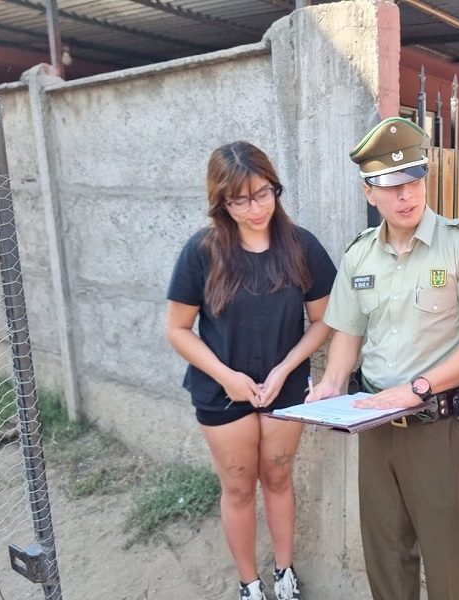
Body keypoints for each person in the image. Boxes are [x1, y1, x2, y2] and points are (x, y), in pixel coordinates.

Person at [307, 116, 459, 600]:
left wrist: (419, 388)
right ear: (369, 192)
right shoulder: (360, 256)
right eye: (392, 185)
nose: (406, 195)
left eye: (415, 179)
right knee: (385, 556)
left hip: (434, 427)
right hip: (374, 428)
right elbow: (348, 332)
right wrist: (332, 385)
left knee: (445, 562)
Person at [165, 141, 337, 600]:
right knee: (238, 488)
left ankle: (284, 572)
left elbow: (325, 321)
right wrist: (225, 376)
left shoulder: (302, 246)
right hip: (223, 393)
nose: (254, 207)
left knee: (278, 478)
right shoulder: (202, 252)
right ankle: (249, 583)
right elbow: (178, 329)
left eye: (263, 193)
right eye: (239, 199)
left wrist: (285, 369)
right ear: (220, 201)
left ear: (274, 187)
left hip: (284, 388)